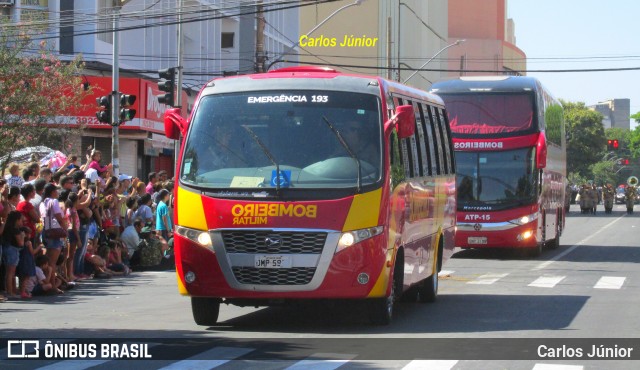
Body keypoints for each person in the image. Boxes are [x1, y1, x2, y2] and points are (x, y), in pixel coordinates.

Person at [40, 183, 68, 269]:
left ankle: (49, 281)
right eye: (56, 190)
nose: (58, 192)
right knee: (53, 262)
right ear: (52, 192)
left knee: (48, 259)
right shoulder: (54, 201)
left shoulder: (42, 203)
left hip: (46, 230)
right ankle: (52, 282)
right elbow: (59, 217)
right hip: (54, 231)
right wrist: (64, 229)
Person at [2, 211, 26, 299]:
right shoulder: (15, 230)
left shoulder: (7, 228)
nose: (21, 222)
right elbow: (20, 243)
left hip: (7, 248)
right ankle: (10, 292)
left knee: (8, 272)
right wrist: (23, 236)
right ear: (16, 220)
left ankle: (10, 290)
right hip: (13, 250)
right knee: (11, 272)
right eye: (20, 220)